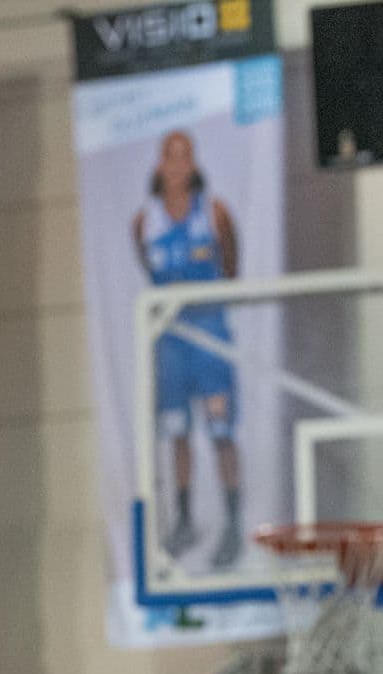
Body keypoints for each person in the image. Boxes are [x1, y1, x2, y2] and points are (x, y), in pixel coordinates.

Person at [135, 131, 244, 570]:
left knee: (220, 431)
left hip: (210, 336)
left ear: (195, 162)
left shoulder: (214, 213)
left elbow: (232, 268)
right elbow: (149, 274)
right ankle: (184, 518)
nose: (178, 164)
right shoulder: (145, 221)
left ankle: (233, 522)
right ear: (160, 164)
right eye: (170, 156)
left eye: (185, 155)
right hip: (171, 343)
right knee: (178, 432)